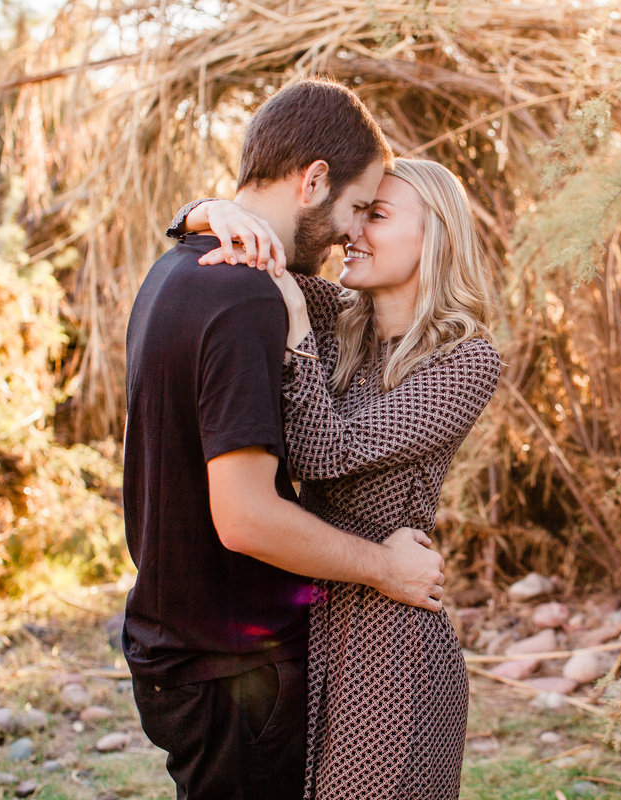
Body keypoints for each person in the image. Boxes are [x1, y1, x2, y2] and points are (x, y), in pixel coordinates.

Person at [123, 79, 447, 800]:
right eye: (357, 207)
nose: (349, 234)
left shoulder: (175, 269)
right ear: (313, 180)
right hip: (233, 667)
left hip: (181, 651)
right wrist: (385, 570)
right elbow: (245, 518)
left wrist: (202, 212)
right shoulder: (243, 294)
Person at [171, 157, 502, 799]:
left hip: (391, 637)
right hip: (307, 618)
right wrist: (206, 212)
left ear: (435, 233)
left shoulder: (466, 358)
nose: (353, 233)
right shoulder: (338, 315)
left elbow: (328, 454)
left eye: (377, 216)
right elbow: (246, 247)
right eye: (359, 213)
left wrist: (295, 334)